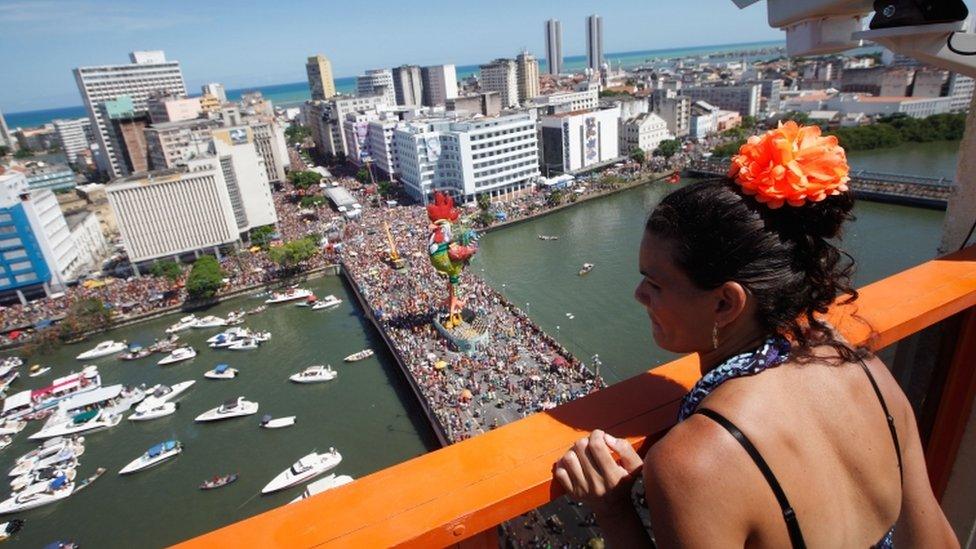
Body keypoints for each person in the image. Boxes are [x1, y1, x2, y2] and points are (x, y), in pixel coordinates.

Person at [553, 122, 958, 548]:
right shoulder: (869, 373)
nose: (639, 295)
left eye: (654, 284)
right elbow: (937, 540)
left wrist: (613, 510)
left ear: (726, 304)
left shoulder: (694, 461)